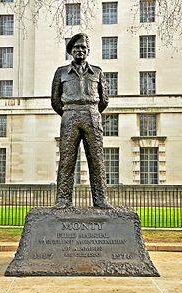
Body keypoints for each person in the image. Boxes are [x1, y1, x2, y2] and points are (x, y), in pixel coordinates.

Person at [51, 33, 111, 208]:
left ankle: (100, 199)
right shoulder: (61, 73)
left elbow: (104, 100)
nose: (80, 50)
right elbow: (55, 101)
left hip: (92, 114)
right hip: (69, 115)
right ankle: (63, 199)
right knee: (67, 160)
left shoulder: (98, 72)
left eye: (83, 47)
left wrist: (91, 110)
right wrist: (70, 111)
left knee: (97, 159)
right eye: (76, 47)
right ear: (71, 51)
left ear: (88, 50)